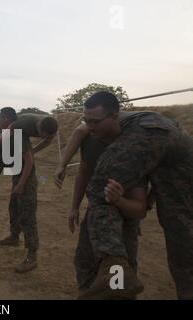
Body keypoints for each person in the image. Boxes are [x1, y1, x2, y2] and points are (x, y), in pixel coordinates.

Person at [70, 91, 193, 300]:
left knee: (100, 190)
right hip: (177, 154)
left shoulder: (133, 139)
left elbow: (136, 206)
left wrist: (126, 201)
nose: (90, 128)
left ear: (114, 117)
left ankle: (114, 268)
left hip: (160, 138)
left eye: (94, 122)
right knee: (182, 227)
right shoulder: (100, 133)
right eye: (86, 121)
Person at [57, 120, 151, 298]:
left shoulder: (131, 151)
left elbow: (139, 208)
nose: (89, 127)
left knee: (119, 277)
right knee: (85, 263)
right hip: (94, 216)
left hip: (122, 221)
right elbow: (84, 171)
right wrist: (74, 207)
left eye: (94, 122)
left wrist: (119, 201)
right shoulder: (90, 139)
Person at [0, 108, 58, 273]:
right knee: (14, 205)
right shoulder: (18, 128)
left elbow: (30, 162)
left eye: (45, 136)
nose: (42, 137)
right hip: (18, 167)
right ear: (37, 127)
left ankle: (32, 256)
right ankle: (14, 237)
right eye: (40, 134)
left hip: (25, 174)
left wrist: (21, 183)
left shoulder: (46, 127)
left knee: (27, 213)